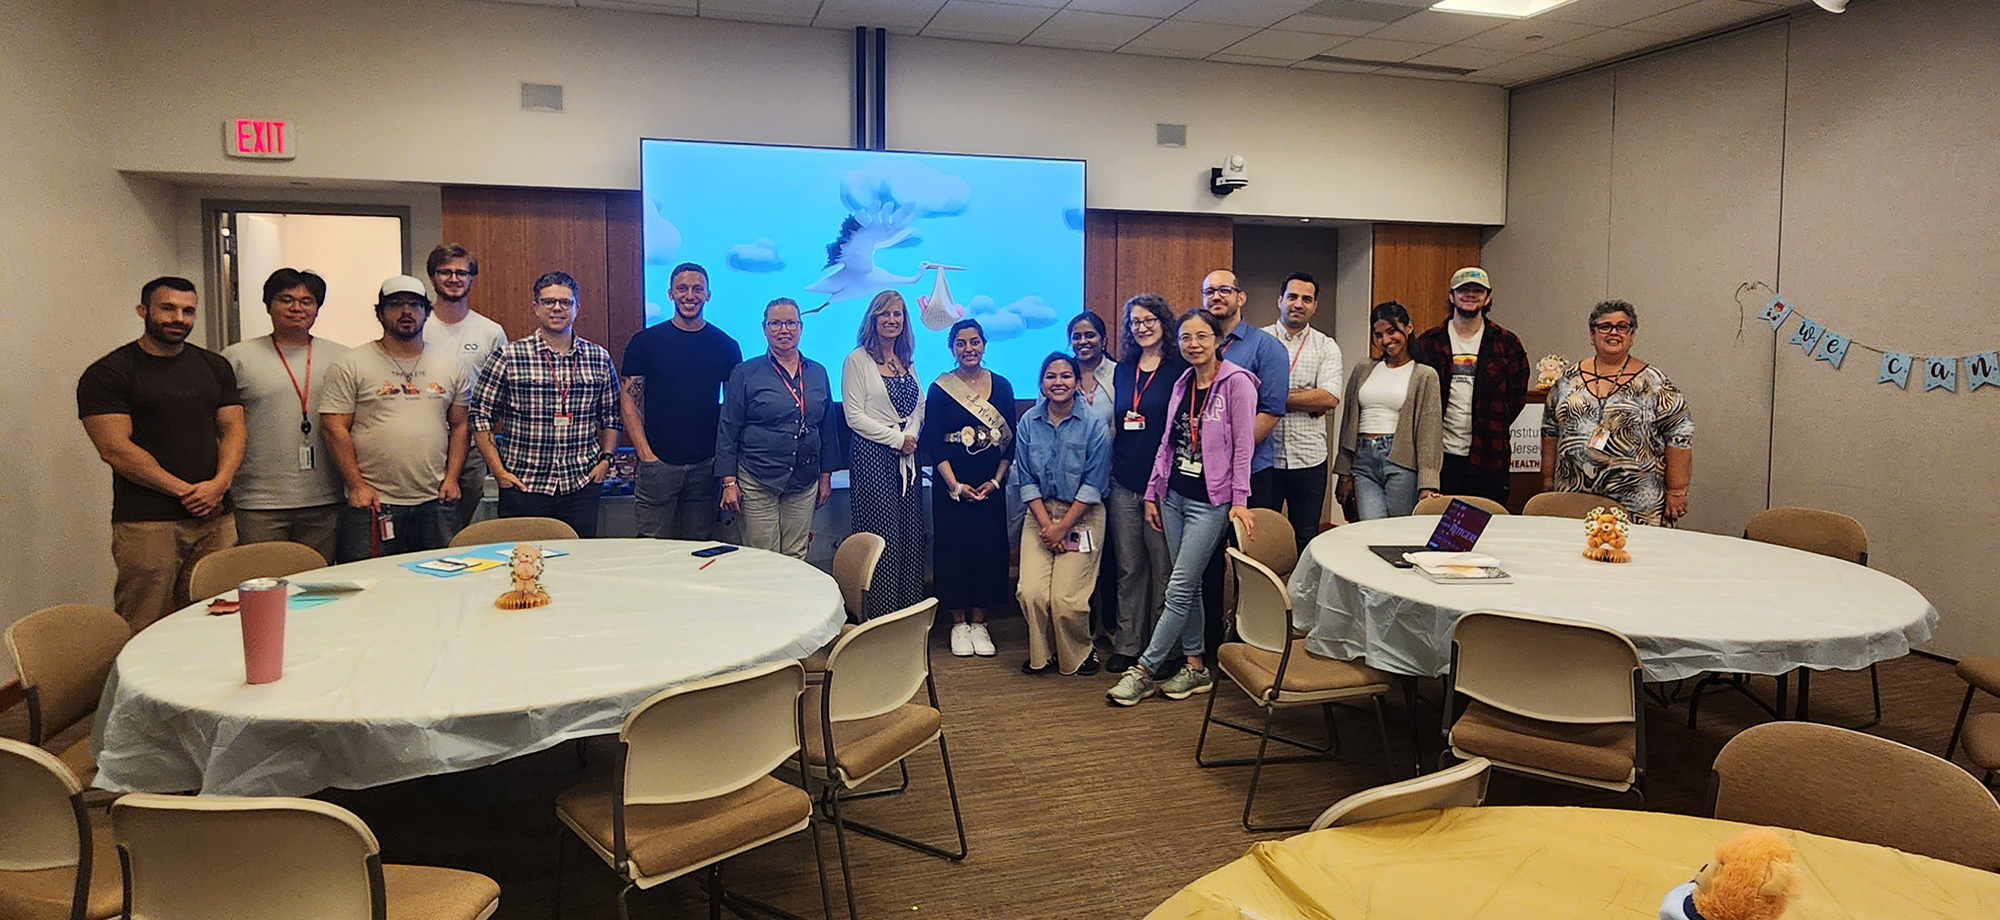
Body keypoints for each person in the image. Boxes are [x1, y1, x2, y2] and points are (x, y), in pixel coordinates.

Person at [1106, 309, 1257, 707]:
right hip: (1173, 496)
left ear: (1217, 341)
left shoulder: (1237, 384)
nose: (1193, 344)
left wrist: (1239, 501)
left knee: (1177, 586)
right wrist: (1154, 492)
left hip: (1211, 502)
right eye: (1187, 337)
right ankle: (1195, 667)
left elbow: (1244, 447)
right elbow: (1167, 445)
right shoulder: (1182, 382)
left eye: (1202, 337)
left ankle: (1143, 670)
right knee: (1184, 587)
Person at [78, 276, 246, 629]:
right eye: (167, 308)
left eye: (187, 311)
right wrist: (186, 492)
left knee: (218, 618)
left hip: (215, 516)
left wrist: (219, 484)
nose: (178, 319)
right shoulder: (109, 373)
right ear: (143, 311)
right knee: (143, 622)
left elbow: (233, 429)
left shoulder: (214, 367)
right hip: (147, 521)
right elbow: (115, 449)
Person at [320, 276, 470, 561]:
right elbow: (333, 427)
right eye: (396, 305)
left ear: (427, 313)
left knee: (442, 587)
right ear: (380, 313)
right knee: (369, 586)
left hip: (437, 500)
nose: (406, 312)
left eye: (414, 305)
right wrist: (357, 486)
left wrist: (452, 478)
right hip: (374, 502)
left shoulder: (450, 364)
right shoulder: (352, 363)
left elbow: (461, 425)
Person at [469, 271, 622, 538]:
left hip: (581, 484)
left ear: (576, 309)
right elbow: (480, 416)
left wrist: (606, 460)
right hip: (524, 485)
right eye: (549, 301)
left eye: (565, 302)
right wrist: (498, 471)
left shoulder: (598, 357)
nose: (557, 308)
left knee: (578, 566)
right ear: (536, 307)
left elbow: (611, 415)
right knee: (525, 564)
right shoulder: (509, 356)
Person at [222, 268, 349, 563]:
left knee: (316, 588)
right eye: (286, 299)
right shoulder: (237, 358)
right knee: (262, 587)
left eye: (307, 301)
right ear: (268, 305)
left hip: (326, 498)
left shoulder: (342, 357)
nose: (296, 308)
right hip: (258, 500)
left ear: (317, 308)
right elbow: (221, 428)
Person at [1195, 269, 1290, 655]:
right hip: (1201, 479)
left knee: (1250, 563)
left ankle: (1255, 640)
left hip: (1249, 474)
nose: (1217, 297)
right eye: (1209, 292)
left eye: (1224, 290)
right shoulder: (1197, 344)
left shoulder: (1266, 348)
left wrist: (1230, 454)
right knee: (1206, 564)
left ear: (1241, 297)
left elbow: (1270, 410)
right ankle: (1210, 643)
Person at [1541, 300, 1694, 526]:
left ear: (1632, 335)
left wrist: (1677, 491)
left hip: (1638, 505)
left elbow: (1679, 436)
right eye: (1605, 326)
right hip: (1573, 497)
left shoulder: (1656, 383)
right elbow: (1549, 430)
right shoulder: (1567, 380)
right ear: (1591, 334)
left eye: (1622, 327)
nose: (1614, 332)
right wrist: (1547, 478)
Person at [620, 262, 741, 540]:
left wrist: (722, 464)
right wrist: (645, 455)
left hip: (705, 467)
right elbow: (628, 401)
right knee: (651, 546)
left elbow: (734, 411)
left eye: (697, 289)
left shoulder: (726, 346)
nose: (690, 295)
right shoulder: (645, 342)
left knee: (697, 550)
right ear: (670, 293)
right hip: (658, 465)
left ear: (708, 295)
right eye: (682, 288)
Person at [920, 318, 1015, 657]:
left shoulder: (1002, 386)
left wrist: (995, 481)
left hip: (991, 484)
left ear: (984, 344)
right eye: (961, 343)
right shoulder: (940, 387)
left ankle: (980, 621)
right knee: (953, 550)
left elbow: (1009, 443)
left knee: (989, 550)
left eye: (975, 342)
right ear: (952, 348)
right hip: (952, 485)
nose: (969, 349)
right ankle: (959, 624)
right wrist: (954, 485)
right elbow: (933, 441)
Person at [1015, 353, 1112, 677]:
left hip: (1082, 517)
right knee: (1031, 593)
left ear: (1076, 382)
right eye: (1051, 377)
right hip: (1040, 516)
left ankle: (1081, 653)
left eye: (1066, 376)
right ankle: (1044, 655)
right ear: (1041, 383)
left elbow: (1093, 484)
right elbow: (1026, 480)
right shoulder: (1029, 421)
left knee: (1066, 600)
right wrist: (1048, 526)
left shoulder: (1095, 424)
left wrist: (1063, 527)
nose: (1058, 383)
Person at [1104, 293, 1185, 675]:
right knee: (1129, 568)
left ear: (1164, 322)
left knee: (1163, 569)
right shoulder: (1123, 368)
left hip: (1165, 487)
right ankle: (1128, 644)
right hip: (1124, 481)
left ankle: (1163, 649)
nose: (1143, 327)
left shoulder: (1179, 368)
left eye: (1150, 319)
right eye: (1135, 322)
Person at [717, 298, 835, 559]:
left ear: (801, 327)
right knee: (763, 557)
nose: (784, 330)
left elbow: (827, 429)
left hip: (804, 481)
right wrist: (728, 482)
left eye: (790, 323)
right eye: (776, 324)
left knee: (796, 555)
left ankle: (794, 602)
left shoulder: (818, 372)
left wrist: (825, 476)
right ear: (764, 329)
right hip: (757, 479)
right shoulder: (745, 373)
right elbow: (728, 429)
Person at [843, 291, 928, 620]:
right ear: (873, 319)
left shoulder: (906, 359)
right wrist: (897, 439)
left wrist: (911, 437)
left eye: (898, 314)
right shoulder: (857, 360)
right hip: (872, 458)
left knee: (909, 537)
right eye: (885, 314)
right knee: (883, 541)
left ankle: (905, 619)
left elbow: (918, 405)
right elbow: (854, 416)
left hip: (906, 459)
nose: (892, 320)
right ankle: (878, 621)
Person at [1412, 267, 1529, 507]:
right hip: (1441, 457)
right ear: (1452, 296)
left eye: (1478, 290)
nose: (1470, 295)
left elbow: (1516, 398)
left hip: (1490, 456)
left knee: (1487, 528)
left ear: (1488, 298)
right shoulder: (1429, 342)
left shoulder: (1507, 343)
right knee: (1440, 529)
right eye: (1464, 290)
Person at [423, 244, 509, 529]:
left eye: (462, 272)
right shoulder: (416, 327)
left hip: (472, 447)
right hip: (424, 444)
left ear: (472, 278)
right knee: (422, 527)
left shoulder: (490, 331)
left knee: (458, 528)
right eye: (445, 272)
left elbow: (502, 393)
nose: (454, 278)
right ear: (433, 277)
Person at [1260, 271, 1344, 553]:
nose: (1299, 303)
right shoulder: (1258, 341)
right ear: (1279, 300)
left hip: (1309, 458)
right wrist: (1306, 399)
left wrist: (1273, 397)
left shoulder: (1326, 345)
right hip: (1264, 459)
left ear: (1314, 306)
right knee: (1260, 537)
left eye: (1306, 299)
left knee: (1306, 538)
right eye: (1292, 297)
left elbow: (1329, 397)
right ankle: (1254, 597)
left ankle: (1300, 598)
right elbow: (1245, 395)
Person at [1335, 302, 1443, 520]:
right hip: (1363, 460)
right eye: (1379, 335)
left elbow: (1429, 433)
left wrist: (1428, 483)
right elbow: (1348, 423)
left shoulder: (1424, 374)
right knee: (1370, 528)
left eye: (1392, 331)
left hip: (1401, 460)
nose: (1386, 340)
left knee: (1397, 531)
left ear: (1409, 328)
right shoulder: (1363, 369)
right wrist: (1344, 471)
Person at [1067, 311, 1117, 427]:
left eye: (1090, 335)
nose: (1083, 341)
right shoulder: (1058, 375)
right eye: (1076, 337)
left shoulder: (1119, 373)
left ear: (1103, 341)